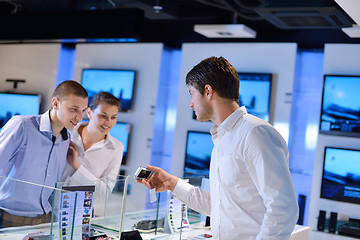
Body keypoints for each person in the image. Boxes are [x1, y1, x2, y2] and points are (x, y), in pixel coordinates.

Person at [138, 56, 299, 239]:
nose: (191, 103)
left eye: (192, 93)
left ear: (208, 91)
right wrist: (172, 184)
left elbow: (283, 208)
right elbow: (219, 205)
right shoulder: (223, 137)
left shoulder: (255, 133)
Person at [0, 80, 88, 228]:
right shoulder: (22, 126)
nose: (79, 117)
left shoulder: (66, 140)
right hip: (9, 220)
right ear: (55, 103)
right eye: (74, 109)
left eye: (83, 110)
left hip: (45, 222)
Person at [61, 91, 124, 200]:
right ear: (89, 113)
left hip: (81, 211)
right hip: (47, 207)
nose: (108, 122)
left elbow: (104, 192)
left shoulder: (116, 148)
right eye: (103, 116)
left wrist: (77, 166)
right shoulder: (67, 133)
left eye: (113, 117)